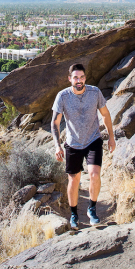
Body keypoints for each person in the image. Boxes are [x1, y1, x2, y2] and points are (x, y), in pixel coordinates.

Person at [51, 63, 116, 230]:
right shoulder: (62, 96)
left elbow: (106, 114)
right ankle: (74, 214)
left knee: (95, 174)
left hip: (93, 139)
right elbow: (55, 123)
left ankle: (92, 208)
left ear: (85, 78)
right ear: (69, 79)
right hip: (73, 143)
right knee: (74, 179)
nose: (78, 80)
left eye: (81, 77)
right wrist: (57, 146)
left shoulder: (95, 92)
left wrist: (111, 137)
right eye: (75, 77)